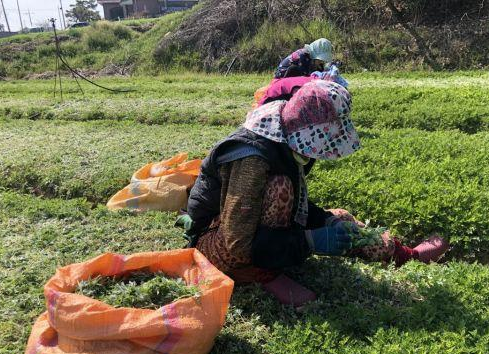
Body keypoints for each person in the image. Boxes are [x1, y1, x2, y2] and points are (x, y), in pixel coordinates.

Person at [184, 80, 448, 306]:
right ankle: (262, 274)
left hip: (254, 234)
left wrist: (326, 222)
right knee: (280, 189)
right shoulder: (252, 159)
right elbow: (237, 242)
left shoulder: (286, 140)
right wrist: (310, 241)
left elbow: (296, 205)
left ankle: (404, 254)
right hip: (218, 244)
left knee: (341, 219)